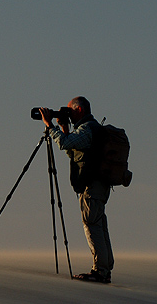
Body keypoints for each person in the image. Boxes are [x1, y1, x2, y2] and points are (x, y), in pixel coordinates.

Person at [39, 97, 114, 283]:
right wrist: (64, 129)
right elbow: (73, 151)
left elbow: (65, 144)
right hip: (99, 186)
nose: (68, 114)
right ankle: (105, 267)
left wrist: (50, 125)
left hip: (92, 186)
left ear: (79, 109)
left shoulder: (87, 129)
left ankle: (100, 271)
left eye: (70, 111)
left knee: (91, 224)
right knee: (99, 223)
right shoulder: (91, 129)